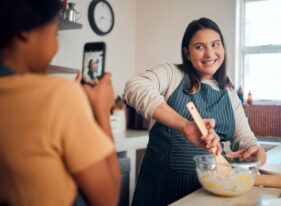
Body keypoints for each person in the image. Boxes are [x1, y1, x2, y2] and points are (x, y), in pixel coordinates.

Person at [123, 17, 266, 206]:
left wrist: (257, 153)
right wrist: (185, 126)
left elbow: (246, 141)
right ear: (187, 53)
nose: (209, 54)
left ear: (223, 48)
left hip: (208, 195)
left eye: (215, 44)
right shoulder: (173, 74)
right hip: (160, 191)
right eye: (199, 47)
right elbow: (134, 87)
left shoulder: (229, 92)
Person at [0, 0, 120, 206]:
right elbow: (107, 199)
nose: (56, 45)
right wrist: (101, 111)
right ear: (25, 30)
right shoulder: (58, 95)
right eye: (55, 32)